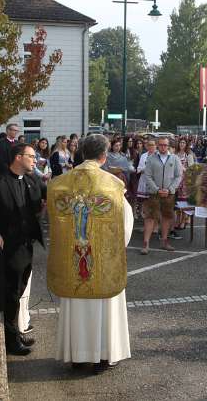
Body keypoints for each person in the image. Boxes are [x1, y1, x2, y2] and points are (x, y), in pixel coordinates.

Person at [49, 134, 133, 373]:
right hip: (103, 260)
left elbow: (55, 222)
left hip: (73, 254)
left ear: (81, 153)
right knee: (103, 307)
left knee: (76, 303)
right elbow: (125, 223)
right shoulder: (112, 185)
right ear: (104, 156)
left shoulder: (60, 183)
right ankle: (103, 356)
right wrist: (113, 249)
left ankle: (77, 355)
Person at [0, 142, 46, 356]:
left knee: (21, 292)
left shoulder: (32, 180)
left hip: (27, 246)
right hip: (10, 248)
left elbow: (44, 201)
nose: (35, 160)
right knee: (11, 294)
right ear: (18, 157)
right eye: (31, 156)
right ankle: (10, 340)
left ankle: (15, 331)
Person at [142, 136, 183, 254]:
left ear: (168, 146)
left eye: (165, 145)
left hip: (169, 194)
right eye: (160, 145)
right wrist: (156, 189)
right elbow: (147, 175)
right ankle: (146, 244)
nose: (163, 147)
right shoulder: (151, 158)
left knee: (166, 217)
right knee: (150, 217)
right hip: (154, 194)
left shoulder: (174, 159)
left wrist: (170, 189)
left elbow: (178, 176)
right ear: (157, 145)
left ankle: (164, 242)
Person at [172, 138, 196, 236]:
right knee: (177, 202)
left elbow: (192, 170)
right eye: (181, 142)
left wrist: (184, 169)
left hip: (185, 181)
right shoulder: (175, 155)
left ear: (186, 145)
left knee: (184, 201)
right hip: (176, 181)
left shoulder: (189, 156)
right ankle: (178, 220)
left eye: (184, 143)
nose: (182, 144)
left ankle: (183, 220)